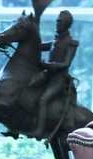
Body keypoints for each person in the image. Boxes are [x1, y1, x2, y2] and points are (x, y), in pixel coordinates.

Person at [31, 10, 78, 139]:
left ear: (67, 24)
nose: (57, 24)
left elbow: (66, 64)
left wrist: (48, 65)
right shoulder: (54, 40)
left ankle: (40, 130)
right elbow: (37, 46)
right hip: (47, 75)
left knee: (43, 99)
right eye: (57, 21)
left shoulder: (71, 43)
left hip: (59, 79)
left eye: (60, 22)